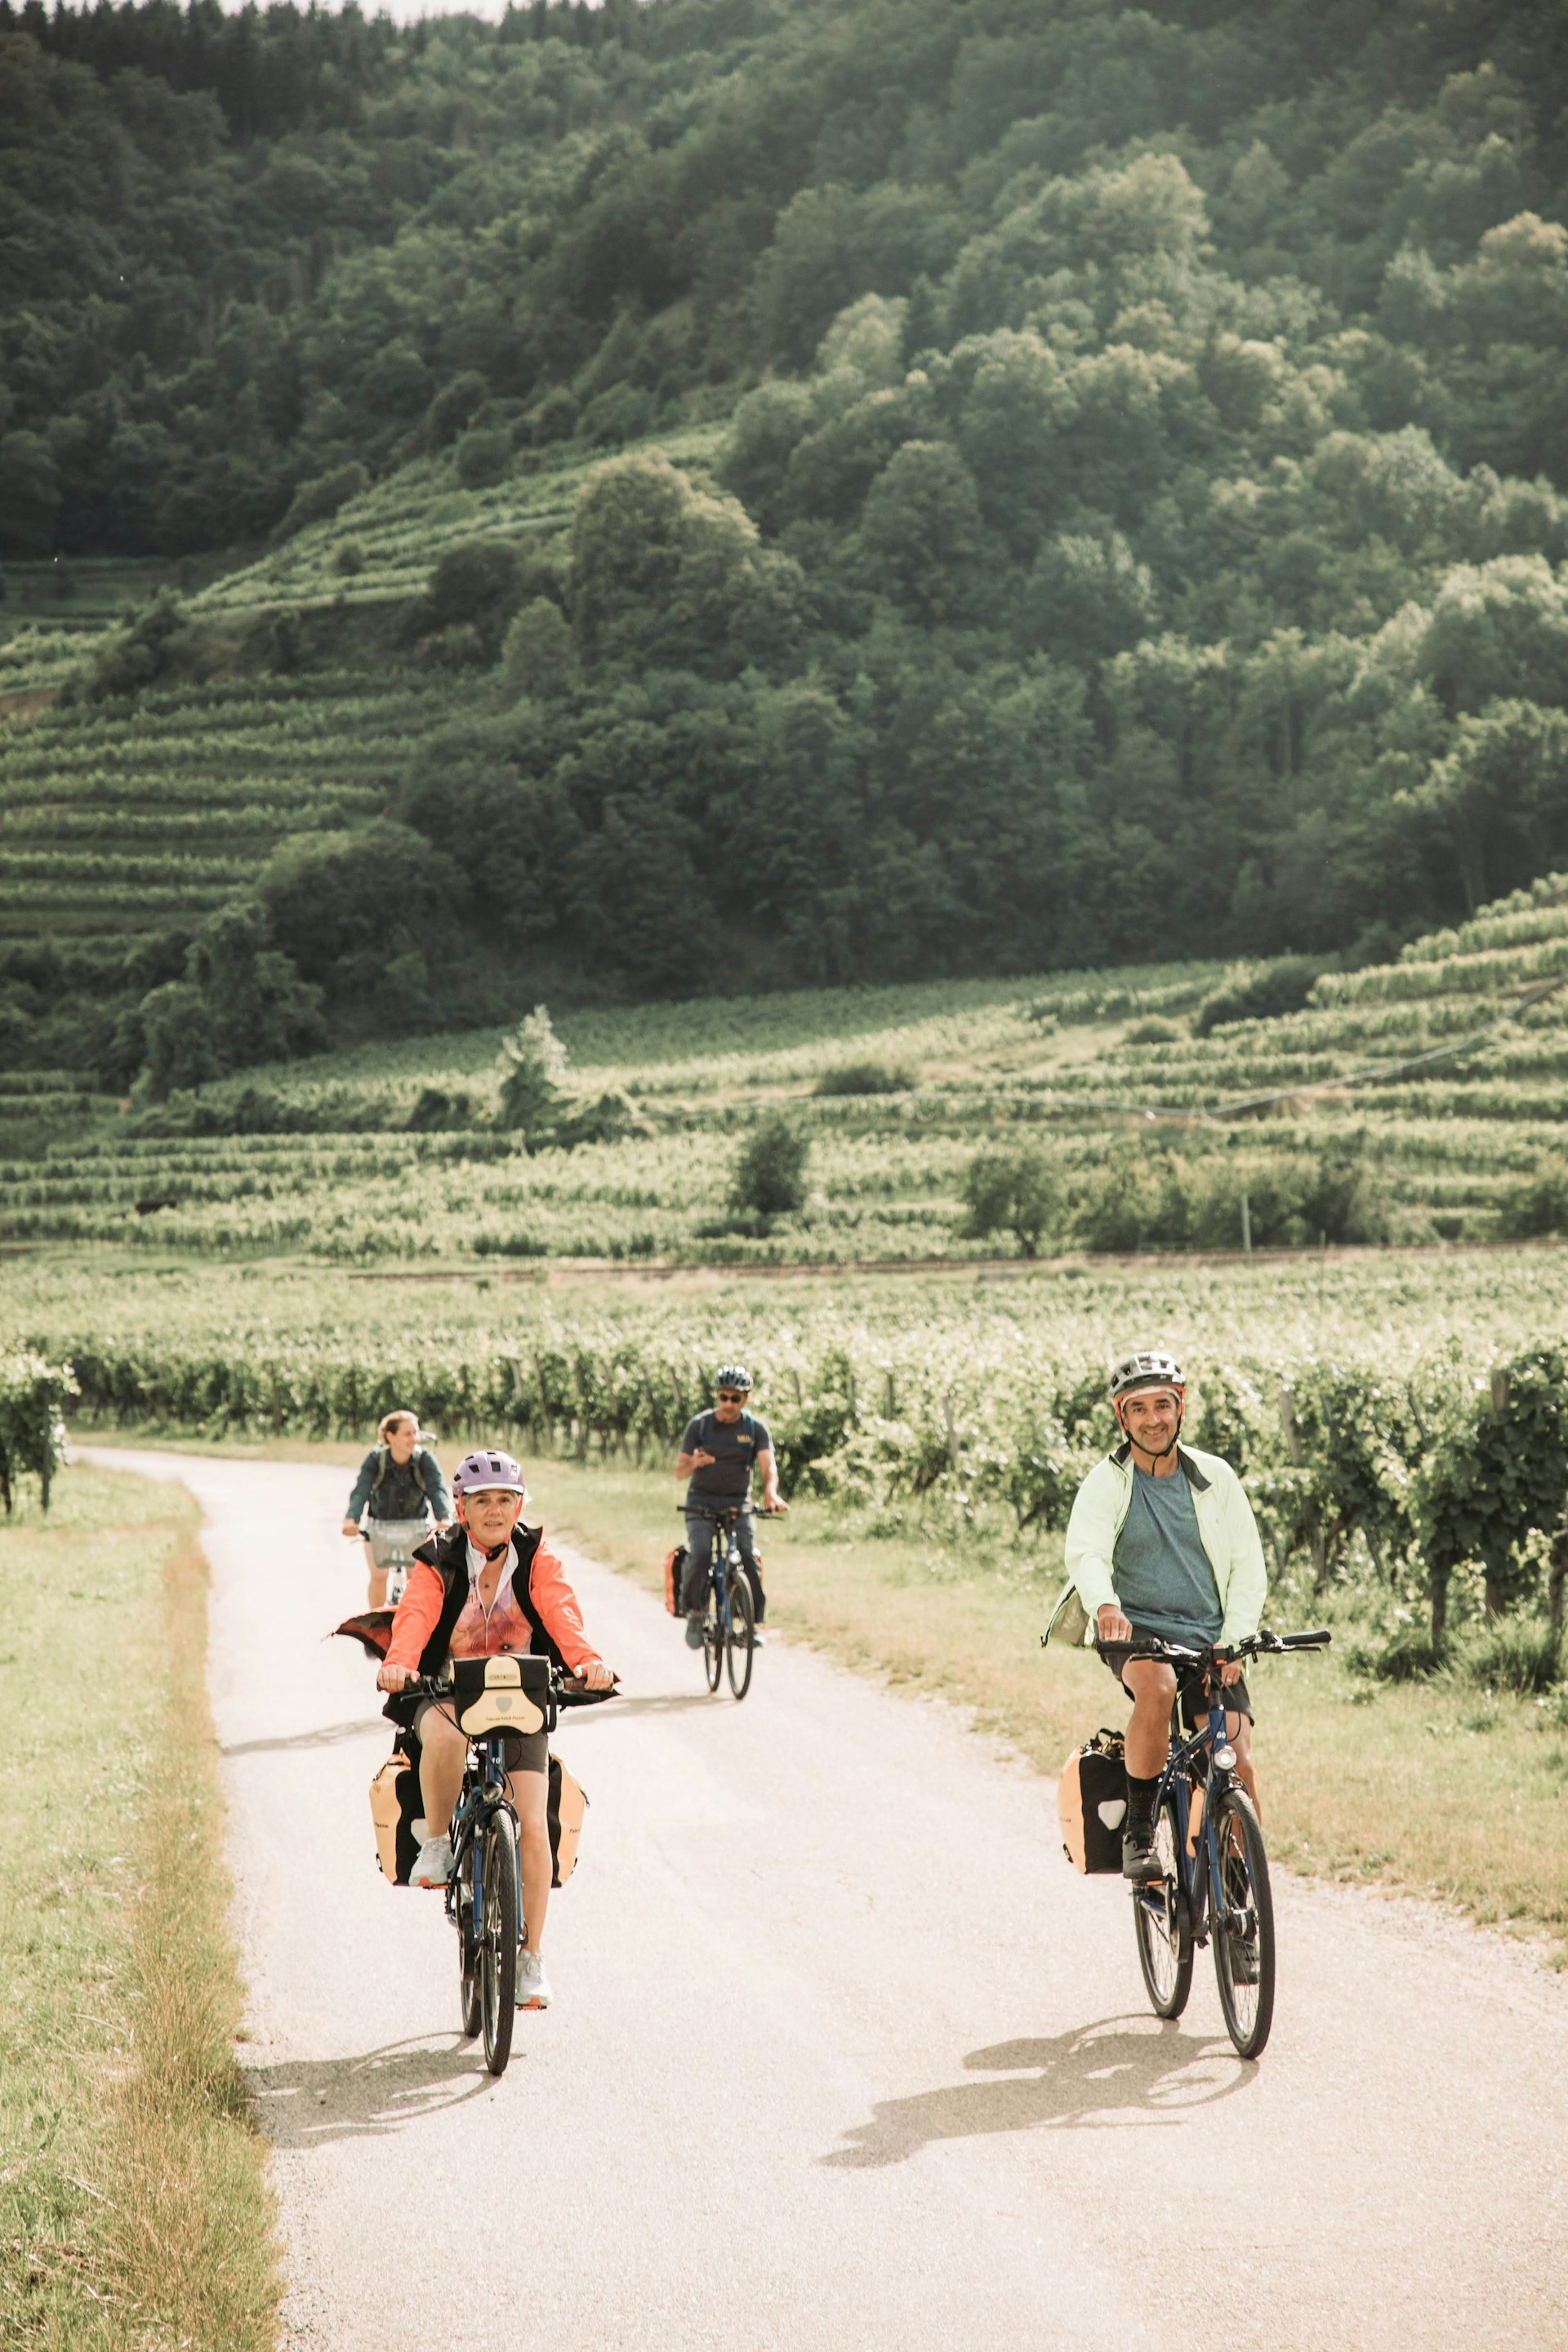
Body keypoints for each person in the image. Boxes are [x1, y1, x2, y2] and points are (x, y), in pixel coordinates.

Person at [375, 1448, 615, 2011]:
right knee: (448, 1737)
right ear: (461, 1507)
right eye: (482, 1500)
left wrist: (586, 1660)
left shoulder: (535, 1555)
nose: (494, 1510)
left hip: (520, 1693)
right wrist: (401, 1661)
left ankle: (530, 1958)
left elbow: (560, 1611)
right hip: (446, 1688)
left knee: (533, 1823)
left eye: (505, 1499)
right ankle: (437, 1843)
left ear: (519, 1504)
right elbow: (414, 1615)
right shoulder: (438, 1556)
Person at [1062, 1350, 1267, 1884]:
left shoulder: (1216, 1479)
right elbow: (1087, 1553)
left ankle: (1241, 1896)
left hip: (1210, 1635)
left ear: (1181, 1409)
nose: (1153, 1419)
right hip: (1134, 1629)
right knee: (1155, 1689)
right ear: (1121, 1417)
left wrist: (1235, 1641)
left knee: (1237, 1762)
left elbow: (1248, 1565)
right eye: (1139, 1409)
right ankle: (1138, 1832)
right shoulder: (1106, 1483)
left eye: (1163, 1406)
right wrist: (1106, 1607)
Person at [674, 1365, 786, 1649]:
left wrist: (770, 1493)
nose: (728, 1404)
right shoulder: (699, 1426)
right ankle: (696, 1613)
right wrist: (695, 1463)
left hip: (738, 1502)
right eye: (723, 1397)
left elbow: (767, 1465)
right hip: (701, 1502)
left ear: (745, 1399)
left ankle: (749, 1622)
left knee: (748, 1556)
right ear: (717, 1396)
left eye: (735, 1398)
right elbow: (679, 1472)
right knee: (700, 1553)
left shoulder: (755, 1429)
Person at [342, 1409, 453, 1609]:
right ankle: (374, 1624)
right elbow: (362, 1489)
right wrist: (352, 1519)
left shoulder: (424, 1460)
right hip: (379, 1527)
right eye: (408, 1434)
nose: (414, 1439)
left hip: (415, 1528)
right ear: (390, 1436)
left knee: (416, 1579)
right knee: (379, 1575)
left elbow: (437, 1489)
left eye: (416, 1433)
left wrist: (444, 1518)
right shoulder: (376, 1460)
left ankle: (414, 1627)